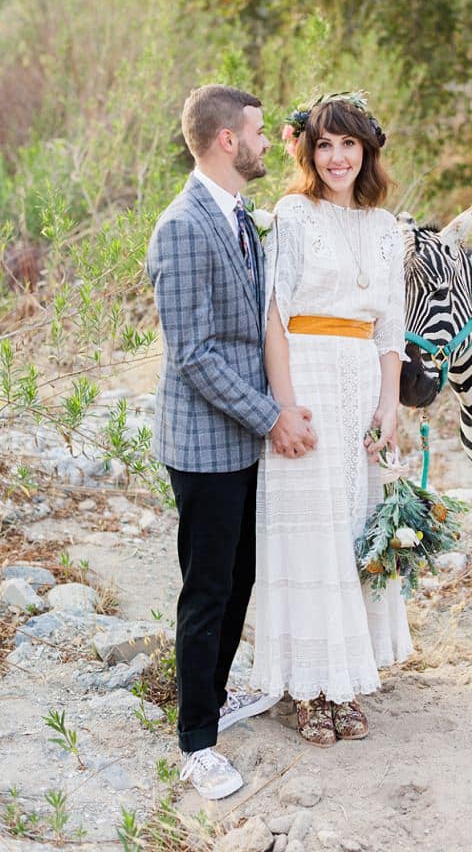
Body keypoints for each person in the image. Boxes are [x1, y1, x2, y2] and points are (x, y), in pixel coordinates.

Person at [146, 85, 317, 799]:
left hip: (241, 439)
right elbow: (195, 354)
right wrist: (272, 416)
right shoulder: (183, 226)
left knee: (240, 577)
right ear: (224, 140)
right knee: (208, 590)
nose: (264, 142)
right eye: (255, 131)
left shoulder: (239, 216)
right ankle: (196, 743)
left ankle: (212, 698)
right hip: (205, 443)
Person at [251, 91, 413, 747]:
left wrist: (389, 402)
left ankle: (348, 676)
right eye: (324, 144)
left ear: (367, 150)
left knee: (355, 524)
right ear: (307, 151)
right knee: (312, 530)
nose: (338, 156)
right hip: (309, 376)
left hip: (363, 380)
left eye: (349, 144)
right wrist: (284, 406)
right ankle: (309, 688)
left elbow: (393, 329)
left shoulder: (384, 228)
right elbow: (274, 316)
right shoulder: (292, 215)